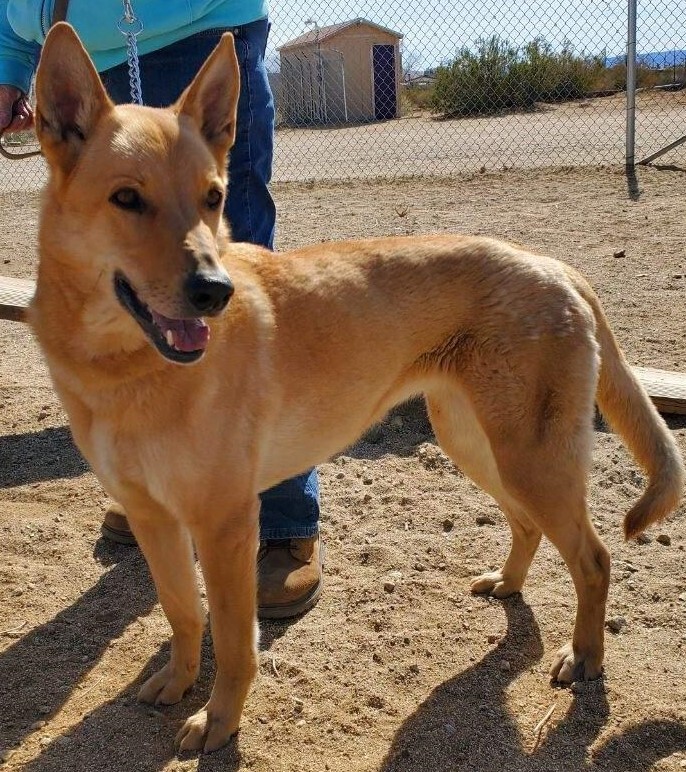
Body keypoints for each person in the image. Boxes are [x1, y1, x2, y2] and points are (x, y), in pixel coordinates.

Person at [0, 0, 323, 620]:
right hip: (81, 58)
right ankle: (146, 479)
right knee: (117, 291)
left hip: (189, 32)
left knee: (226, 285)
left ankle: (283, 521)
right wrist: (13, 63)